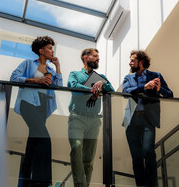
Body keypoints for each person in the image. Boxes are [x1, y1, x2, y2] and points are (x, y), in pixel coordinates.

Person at [10, 36, 62, 187]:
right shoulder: (28, 63)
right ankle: (43, 183)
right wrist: (36, 81)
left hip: (42, 106)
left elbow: (59, 85)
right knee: (45, 138)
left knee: (33, 143)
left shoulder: (51, 69)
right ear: (41, 50)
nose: (52, 51)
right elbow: (14, 77)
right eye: (50, 48)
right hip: (28, 103)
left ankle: (24, 183)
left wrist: (58, 66)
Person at [122, 50, 173, 187]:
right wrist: (143, 87)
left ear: (141, 62)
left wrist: (159, 89)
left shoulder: (156, 76)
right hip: (131, 120)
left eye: (133, 60)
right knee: (136, 158)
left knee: (148, 151)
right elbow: (125, 92)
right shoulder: (128, 78)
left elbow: (170, 94)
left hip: (148, 120)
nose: (130, 62)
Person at [67, 48, 114, 187]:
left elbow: (111, 90)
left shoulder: (101, 77)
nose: (98, 58)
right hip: (77, 118)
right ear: (86, 58)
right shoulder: (74, 74)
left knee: (89, 158)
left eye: (98, 56)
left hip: (94, 120)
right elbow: (73, 86)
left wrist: (103, 83)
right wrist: (92, 88)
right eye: (95, 56)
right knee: (76, 148)